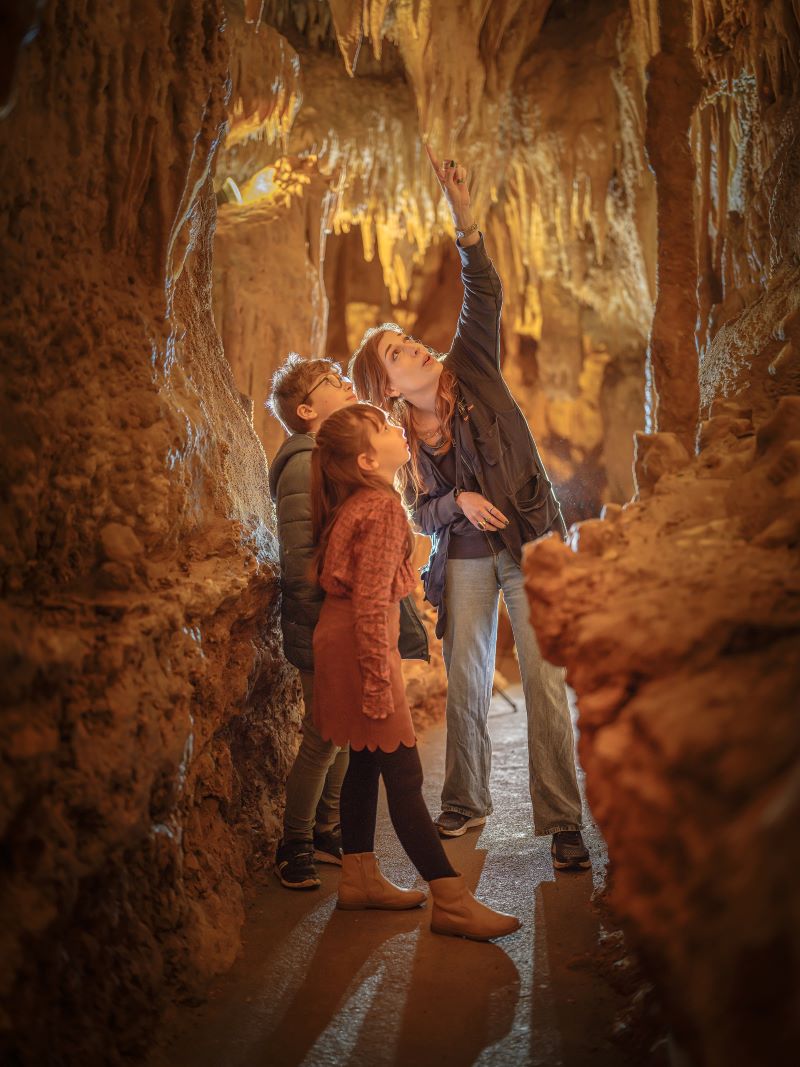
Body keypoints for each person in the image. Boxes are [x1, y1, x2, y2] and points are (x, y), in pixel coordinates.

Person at [348, 147, 590, 871]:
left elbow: (483, 290)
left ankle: (563, 821)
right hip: (465, 558)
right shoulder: (401, 441)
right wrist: (458, 498)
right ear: (388, 386)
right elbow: (422, 515)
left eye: (410, 342)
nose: (416, 349)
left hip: (531, 538)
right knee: (466, 679)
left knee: (543, 676)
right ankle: (465, 800)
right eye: (398, 353)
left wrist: (462, 212)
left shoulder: (472, 368)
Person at [311, 403, 520, 940]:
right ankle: (451, 900)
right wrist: (378, 683)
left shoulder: (358, 501)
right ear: (366, 459)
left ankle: (358, 879)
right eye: (382, 427)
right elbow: (369, 604)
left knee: (365, 761)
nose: (394, 427)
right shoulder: (381, 507)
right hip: (361, 646)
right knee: (404, 777)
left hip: (340, 640)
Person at [267, 354, 429, 890]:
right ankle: (295, 842)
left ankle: (327, 829)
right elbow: (302, 557)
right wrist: (330, 630)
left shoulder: (330, 464)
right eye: (330, 381)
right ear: (307, 409)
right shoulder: (303, 463)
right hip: (325, 624)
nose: (343, 383)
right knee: (323, 735)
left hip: (340, 621)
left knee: (343, 735)